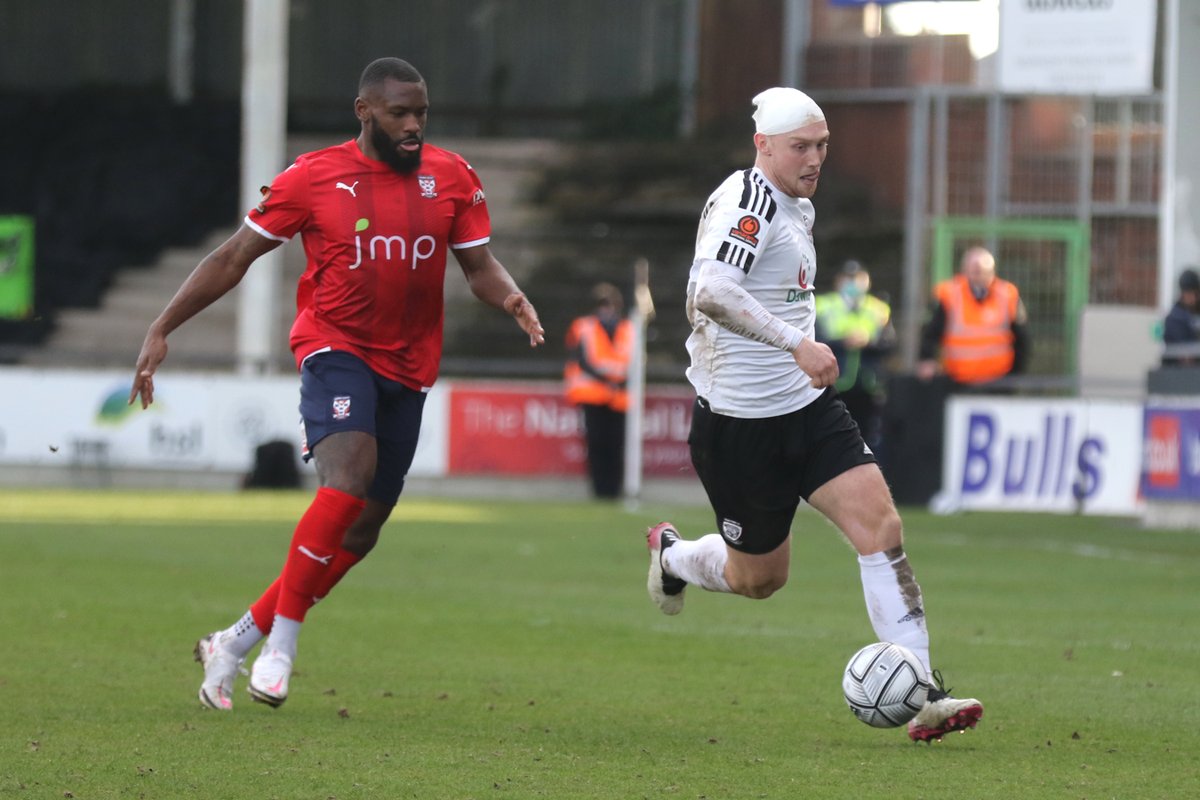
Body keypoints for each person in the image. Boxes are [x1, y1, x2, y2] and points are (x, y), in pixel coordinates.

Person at [129, 57, 545, 711]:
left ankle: (233, 643)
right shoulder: (313, 177)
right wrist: (161, 328)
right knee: (347, 478)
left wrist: (512, 298)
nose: (413, 126)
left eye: (421, 114)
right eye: (400, 113)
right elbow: (233, 257)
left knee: (361, 530)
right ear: (365, 112)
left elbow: (479, 264)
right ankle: (281, 649)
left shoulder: (452, 176)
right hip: (336, 348)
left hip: (410, 365)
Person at [645, 87, 982, 743]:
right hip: (741, 427)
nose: (814, 157)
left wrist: (798, 354)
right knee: (760, 579)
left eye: (822, 145)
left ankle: (923, 695)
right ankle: (674, 556)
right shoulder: (751, 202)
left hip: (808, 410)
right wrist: (796, 342)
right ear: (762, 145)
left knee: (880, 526)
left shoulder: (796, 203)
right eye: (800, 146)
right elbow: (708, 290)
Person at [915, 246, 1028, 390]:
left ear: (992, 272)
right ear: (964, 271)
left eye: (983, 271)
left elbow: (1022, 339)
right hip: (957, 380)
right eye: (974, 271)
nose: (979, 276)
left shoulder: (1008, 295)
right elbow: (931, 331)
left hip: (999, 381)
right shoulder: (949, 294)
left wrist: (1015, 375)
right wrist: (927, 359)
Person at [814, 260, 895, 455]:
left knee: (868, 439)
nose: (853, 283)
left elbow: (889, 343)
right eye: (848, 278)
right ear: (838, 281)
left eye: (858, 278)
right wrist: (844, 341)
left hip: (868, 383)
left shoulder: (878, 309)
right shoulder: (823, 305)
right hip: (834, 382)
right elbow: (814, 339)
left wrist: (867, 342)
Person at [564, 282, 633, 499]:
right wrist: (606, 380)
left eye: (610, 305)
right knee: (596, 444)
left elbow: (634, 363)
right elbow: (581, 360)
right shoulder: (583, 327)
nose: (607, 309)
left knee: (617, 444)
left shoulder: (628, 329)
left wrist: (618, 383)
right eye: (603, 305)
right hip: (592, 395)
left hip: (619, 398)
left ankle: (615, 490)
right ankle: (599, 490)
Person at [1161, 267, 1200, 366]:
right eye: (1188, 293)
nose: (1192, 298)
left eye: (1194, 293)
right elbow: (1185, 353)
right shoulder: (1174, 318)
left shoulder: (1194, 314)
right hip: (1178, 372)